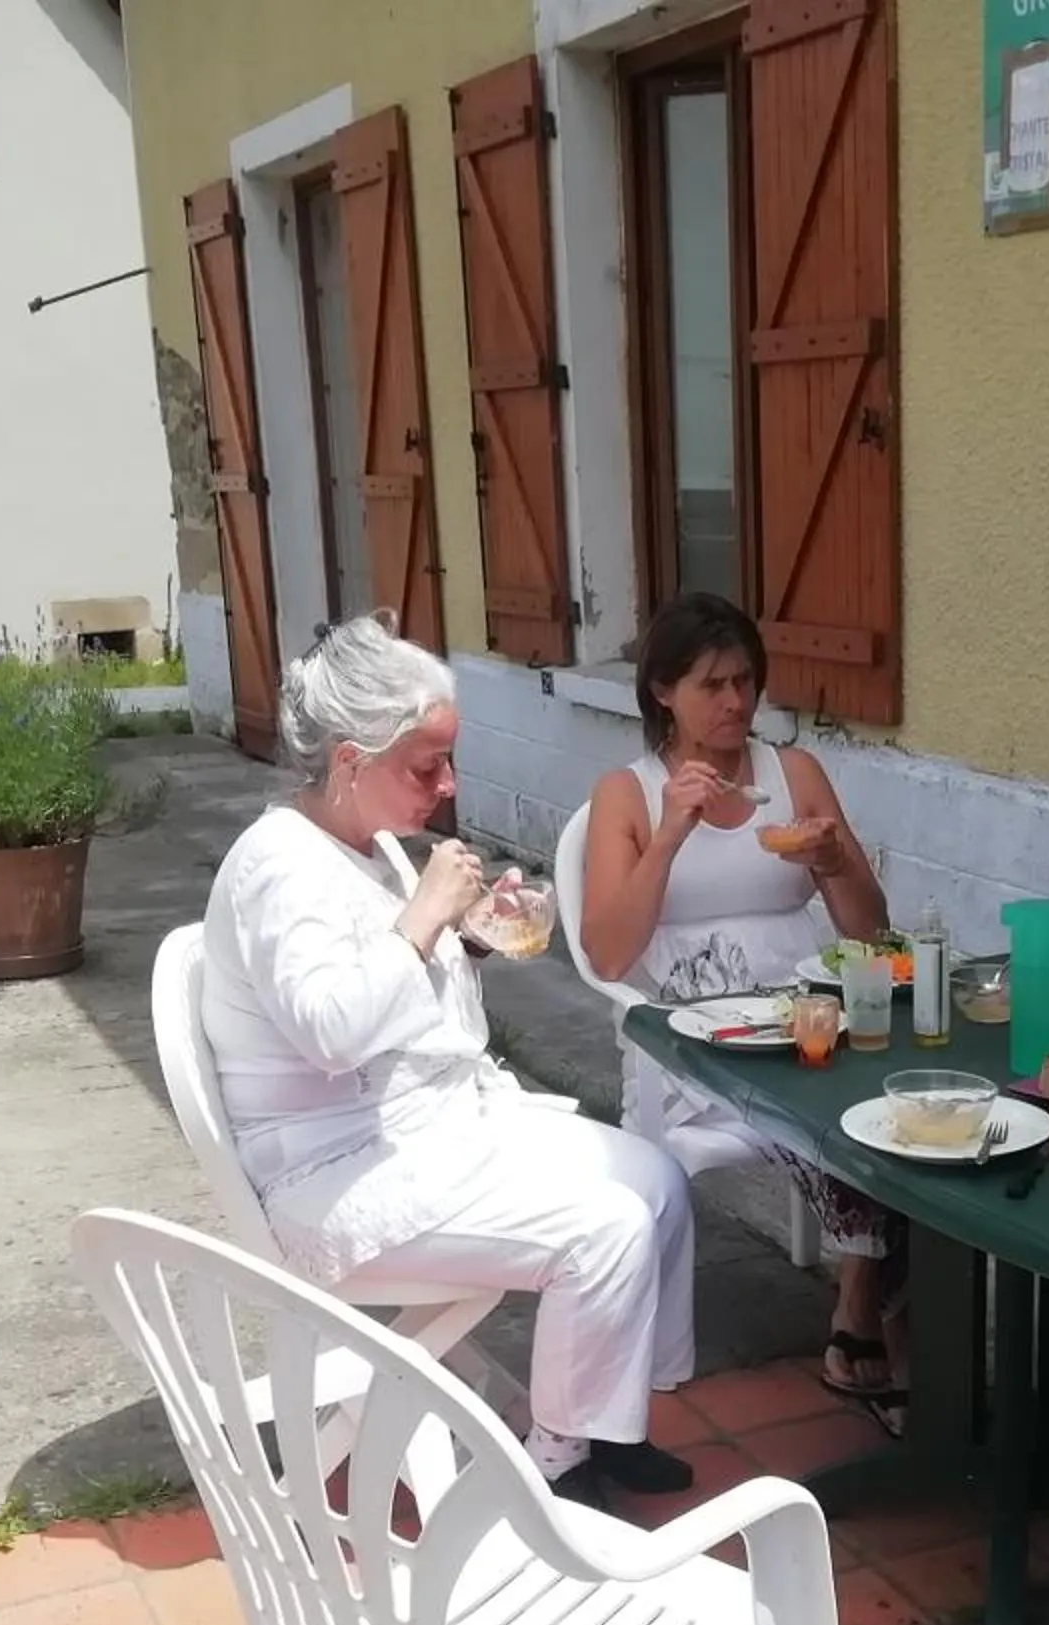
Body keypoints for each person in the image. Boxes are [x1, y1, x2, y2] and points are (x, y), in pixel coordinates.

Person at [199, 613, 697, 1505]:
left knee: (656, 1183)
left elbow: (393, 982)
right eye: (426, 766)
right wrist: (425, 916)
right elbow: (329, 1031)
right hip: (336, 1177)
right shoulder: (278, 867)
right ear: (351, 761)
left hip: (430, 1130)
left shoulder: (366, 844)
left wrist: (464, 939)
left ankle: (602, 1420)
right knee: (605, 1229)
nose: (448, 784)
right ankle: (558, 1470)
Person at [578, 593, 912, 1425]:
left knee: (895, 1102)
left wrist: (836, 862)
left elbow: (872, 930)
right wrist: (670, 836)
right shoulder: (629, 792)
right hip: (692, 1047)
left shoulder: (791, 775)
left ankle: (861, 1299)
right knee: (842, 1104)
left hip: (807, 1024)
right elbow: (609, 954)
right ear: (663, 692)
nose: (736, 702)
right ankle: (878, 1299)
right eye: (713, 685)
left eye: (747, 682)